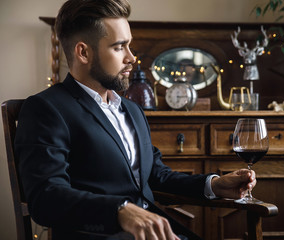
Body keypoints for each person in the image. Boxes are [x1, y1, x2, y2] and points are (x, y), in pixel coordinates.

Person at [15, 0, 257, 239]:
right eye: (119, 47)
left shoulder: (132, 109)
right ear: (83, 52)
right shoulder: (46, 108)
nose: (132, 57)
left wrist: (213, 185)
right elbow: (46, 197)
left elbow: (155, 176)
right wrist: (119, 211)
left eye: (129, 45)